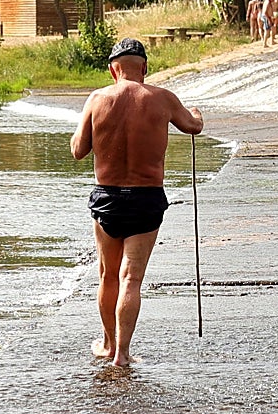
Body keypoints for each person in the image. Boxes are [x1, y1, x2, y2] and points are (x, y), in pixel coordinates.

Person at [70, 38, 204, 367]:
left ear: (113, 70)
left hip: (108, 198)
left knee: (108, 276)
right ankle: (123, 354)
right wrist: (197, 112)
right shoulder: (162, 98)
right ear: (144, 68)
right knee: (132, 279)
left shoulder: (97, 98)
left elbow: (78, 150)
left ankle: (107, 343)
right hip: (146, 198)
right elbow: (194, 126)